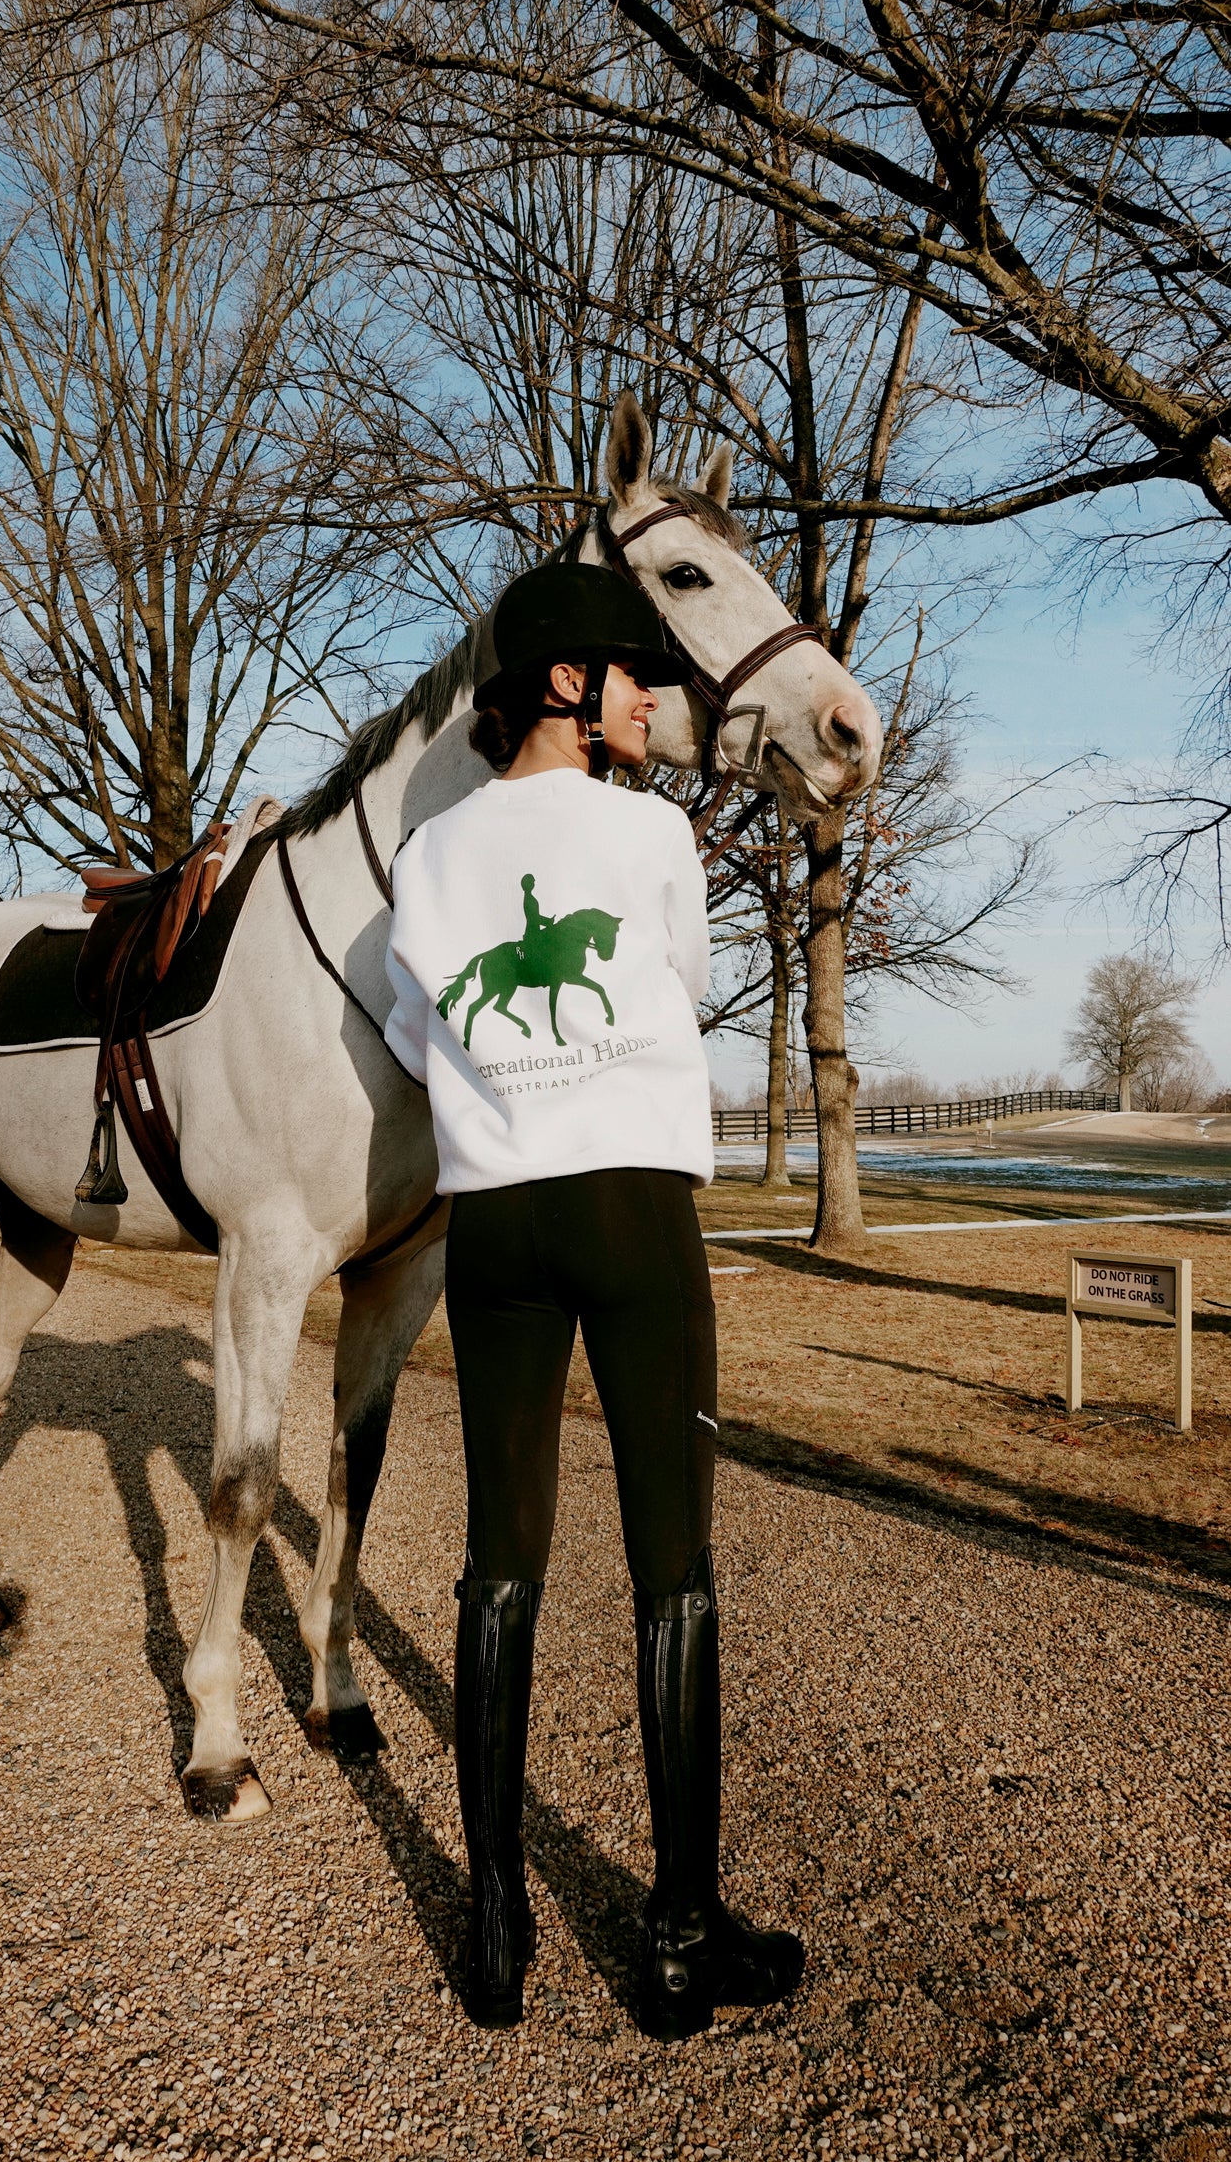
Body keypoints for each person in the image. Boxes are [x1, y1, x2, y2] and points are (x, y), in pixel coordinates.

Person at [385, 561, 804, 2043]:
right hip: (631, 1209)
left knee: (500, 1559)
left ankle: (494, 1928)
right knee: (668, 1566)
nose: (651, 701)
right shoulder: (651, 829)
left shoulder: (428, 851)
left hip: (495, 1222)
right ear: (563, 686)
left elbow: (402, 1019)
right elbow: (673, 985)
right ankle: (679, 1939)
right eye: (632, 676)